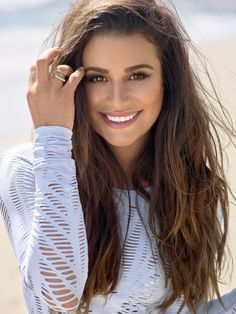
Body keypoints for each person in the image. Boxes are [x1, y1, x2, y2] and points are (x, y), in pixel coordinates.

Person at [0, 0, 236, 313]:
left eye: (137, 75)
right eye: (97, 78)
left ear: (168, 81)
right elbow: (56, 301)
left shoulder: (192, 185)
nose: (117, 99)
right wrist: (53, 138)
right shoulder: (29, 167)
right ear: (74, 83)